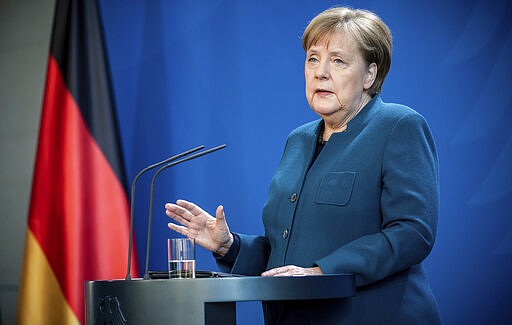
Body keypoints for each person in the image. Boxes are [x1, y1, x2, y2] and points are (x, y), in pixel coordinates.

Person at [165, 6, 441, 325]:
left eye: (338, 60)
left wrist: (322, 272)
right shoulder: (298, 140)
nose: (320, 72)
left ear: (370, 74)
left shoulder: (398, 126)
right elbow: (284, 252)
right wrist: (229, 245)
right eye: (313, 59)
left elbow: (412, 232)